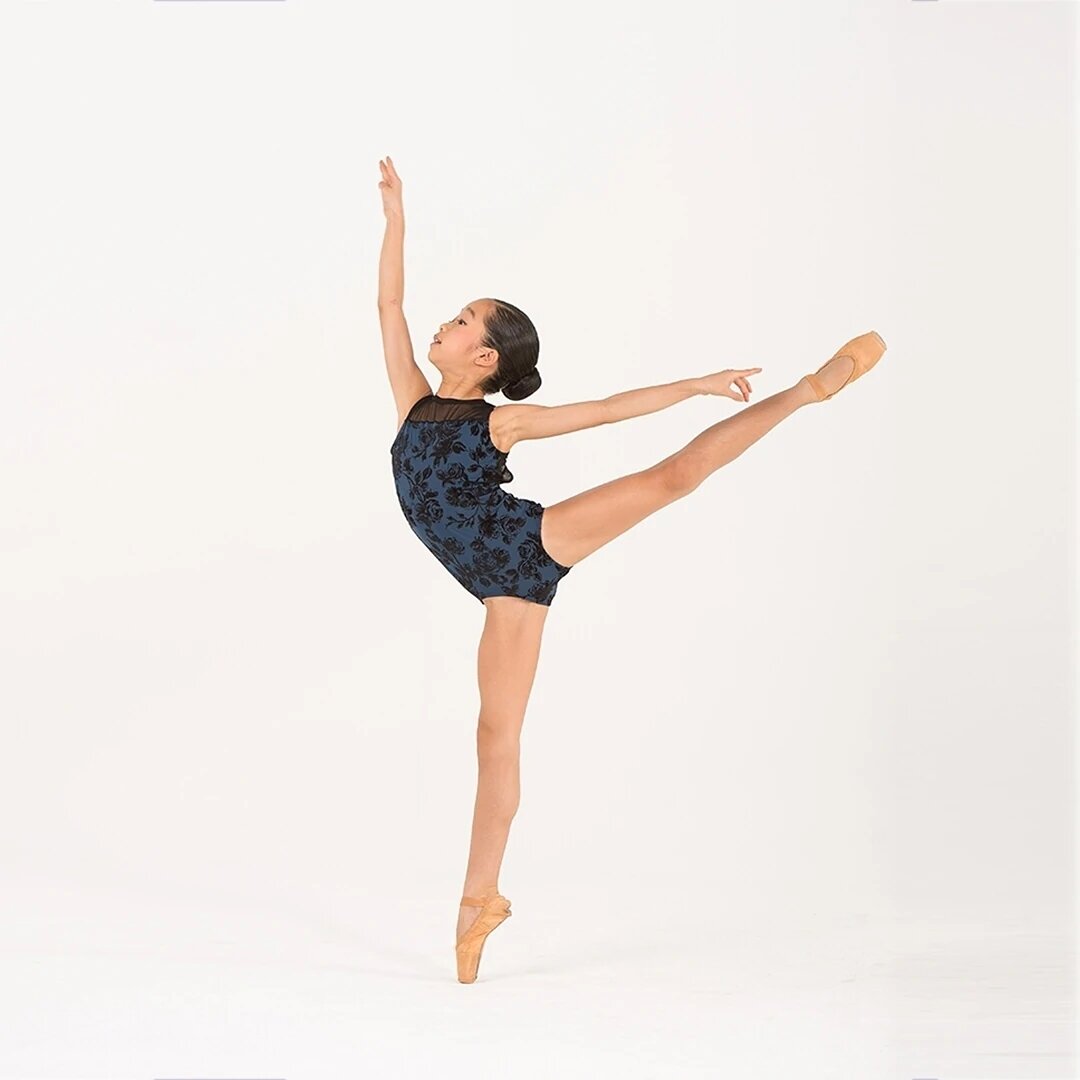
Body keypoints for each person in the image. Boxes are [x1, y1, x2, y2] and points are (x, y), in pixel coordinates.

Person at [376, 156, 889, 983]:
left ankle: (804, 392)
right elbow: (389, 306)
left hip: (525, 544)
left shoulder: (499, 425)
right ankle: (479, 903)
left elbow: (609, 411)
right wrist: (398, 219)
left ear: (486, 359)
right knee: (494, 739)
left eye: (463, 320)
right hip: (499, 592)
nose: (444, 323)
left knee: (671, 477)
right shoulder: (413, 399)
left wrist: (696, 384)